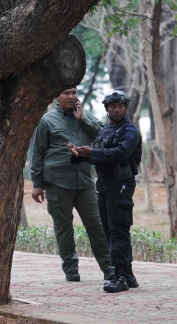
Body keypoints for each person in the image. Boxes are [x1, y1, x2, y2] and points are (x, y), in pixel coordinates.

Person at [31, 88, 114, 282]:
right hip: (57, 181)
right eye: (66, 93)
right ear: (56, 97)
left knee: (97, 224)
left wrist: (82, 119)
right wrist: (37, 184)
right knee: (63, 227)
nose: (71, 96)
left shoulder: (86, 116)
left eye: (74, 92)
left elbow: (104, 137)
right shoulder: (47, 120)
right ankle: (71, 268)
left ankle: (109, 267)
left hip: (84, 180)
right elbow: (38, 153)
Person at [69, 90, 141, 293]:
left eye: (120, 106)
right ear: (107, 109)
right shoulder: (106, 131)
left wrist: (92, 152)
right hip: (105, 184)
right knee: (110, 231)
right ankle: (127, 274)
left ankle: (119, 277)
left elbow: (120, 152)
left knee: (119, 229)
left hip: (122, 184)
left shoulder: (130, 130)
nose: (116, 109)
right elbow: (97, 152)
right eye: (112, 106)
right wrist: (78, 154)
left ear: (126, 108)